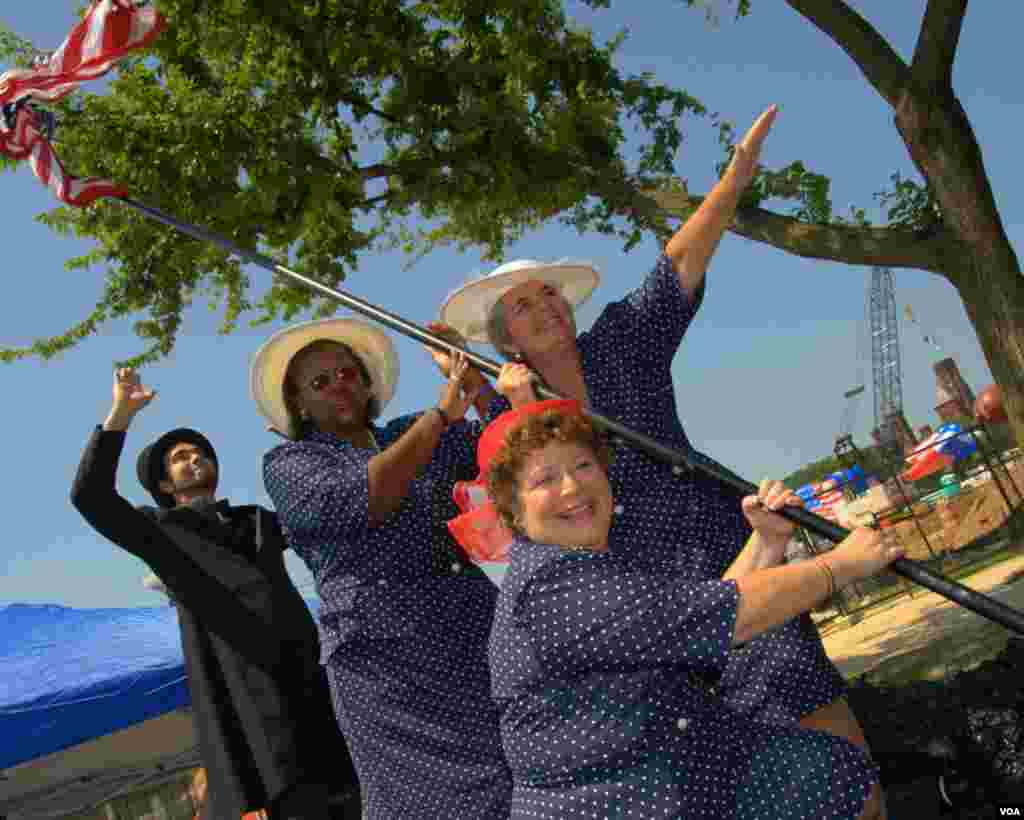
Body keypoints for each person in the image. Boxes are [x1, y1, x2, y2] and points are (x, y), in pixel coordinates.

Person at [439, 106, 867, 750]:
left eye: (549, 294)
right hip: (648, 608)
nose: (545, 307)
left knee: (824, 733)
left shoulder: (621, 340)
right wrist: (512, 408)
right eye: (522, 307)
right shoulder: (506, 418)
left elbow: (679, 264)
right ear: (506, 340)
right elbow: (517, 532)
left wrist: (733, 179)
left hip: (732, 548)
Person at [472, 400, 900, 819]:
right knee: (837, 781)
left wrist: (766, 543)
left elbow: (684, 624)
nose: (572, 487)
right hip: (609, 800)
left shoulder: (583, 567)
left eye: (583, 466)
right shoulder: (550, 588)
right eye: (545, 479)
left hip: (675, 772)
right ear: (514, 510)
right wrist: (840, 565)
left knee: (837, 777)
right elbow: (712, 617)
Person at [253, 318, 514, 820]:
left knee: (517, 774)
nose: (339, 386)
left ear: (368, 383)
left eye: (348, 373)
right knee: (429, 804)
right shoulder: (290, 463)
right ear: (299, 404)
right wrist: (440, 417)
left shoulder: (408, 431)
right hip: (386, 666)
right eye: (320, 382)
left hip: (473, 635)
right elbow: (369, 498)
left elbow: (508, 444)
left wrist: (471, 378)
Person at [71, 368, 359, 820]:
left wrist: (305, 444)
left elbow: (328, 516)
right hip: (252, 705)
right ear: (164, 485)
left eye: (199, 452)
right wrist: (121, 414)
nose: (194, 459)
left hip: (312, 690)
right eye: (180, 458)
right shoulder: (162, 534)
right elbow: (90, 496)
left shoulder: (256, 520)